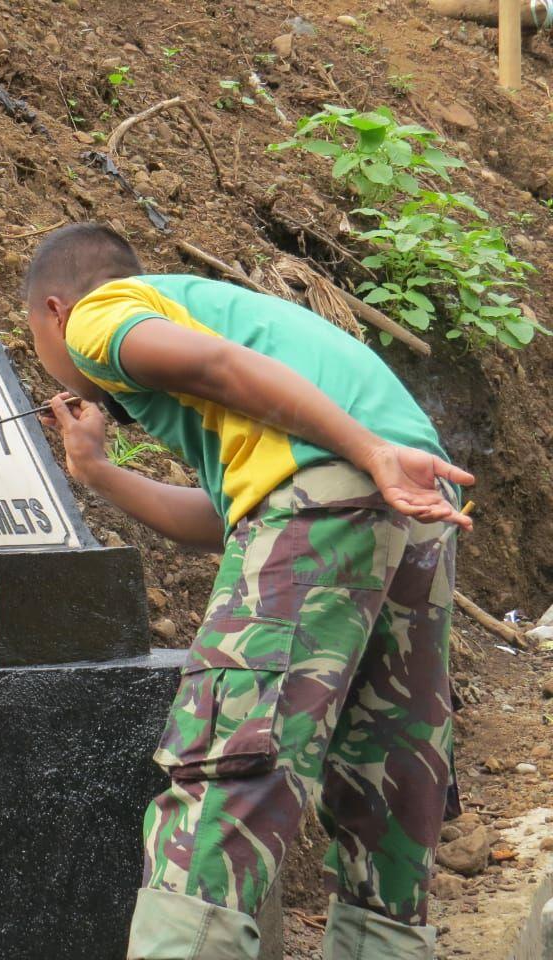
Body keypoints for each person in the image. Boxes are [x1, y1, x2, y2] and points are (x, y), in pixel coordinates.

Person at [24, 223, 473, 960]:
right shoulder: (245, 335)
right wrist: (99, 472)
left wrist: (365, 454)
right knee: (388, 769)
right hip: (406, 509)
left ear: (52, 311)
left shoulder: (99, 316)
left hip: (362, 478)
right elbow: (236, 515)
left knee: (229, 757)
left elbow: (218, 366)